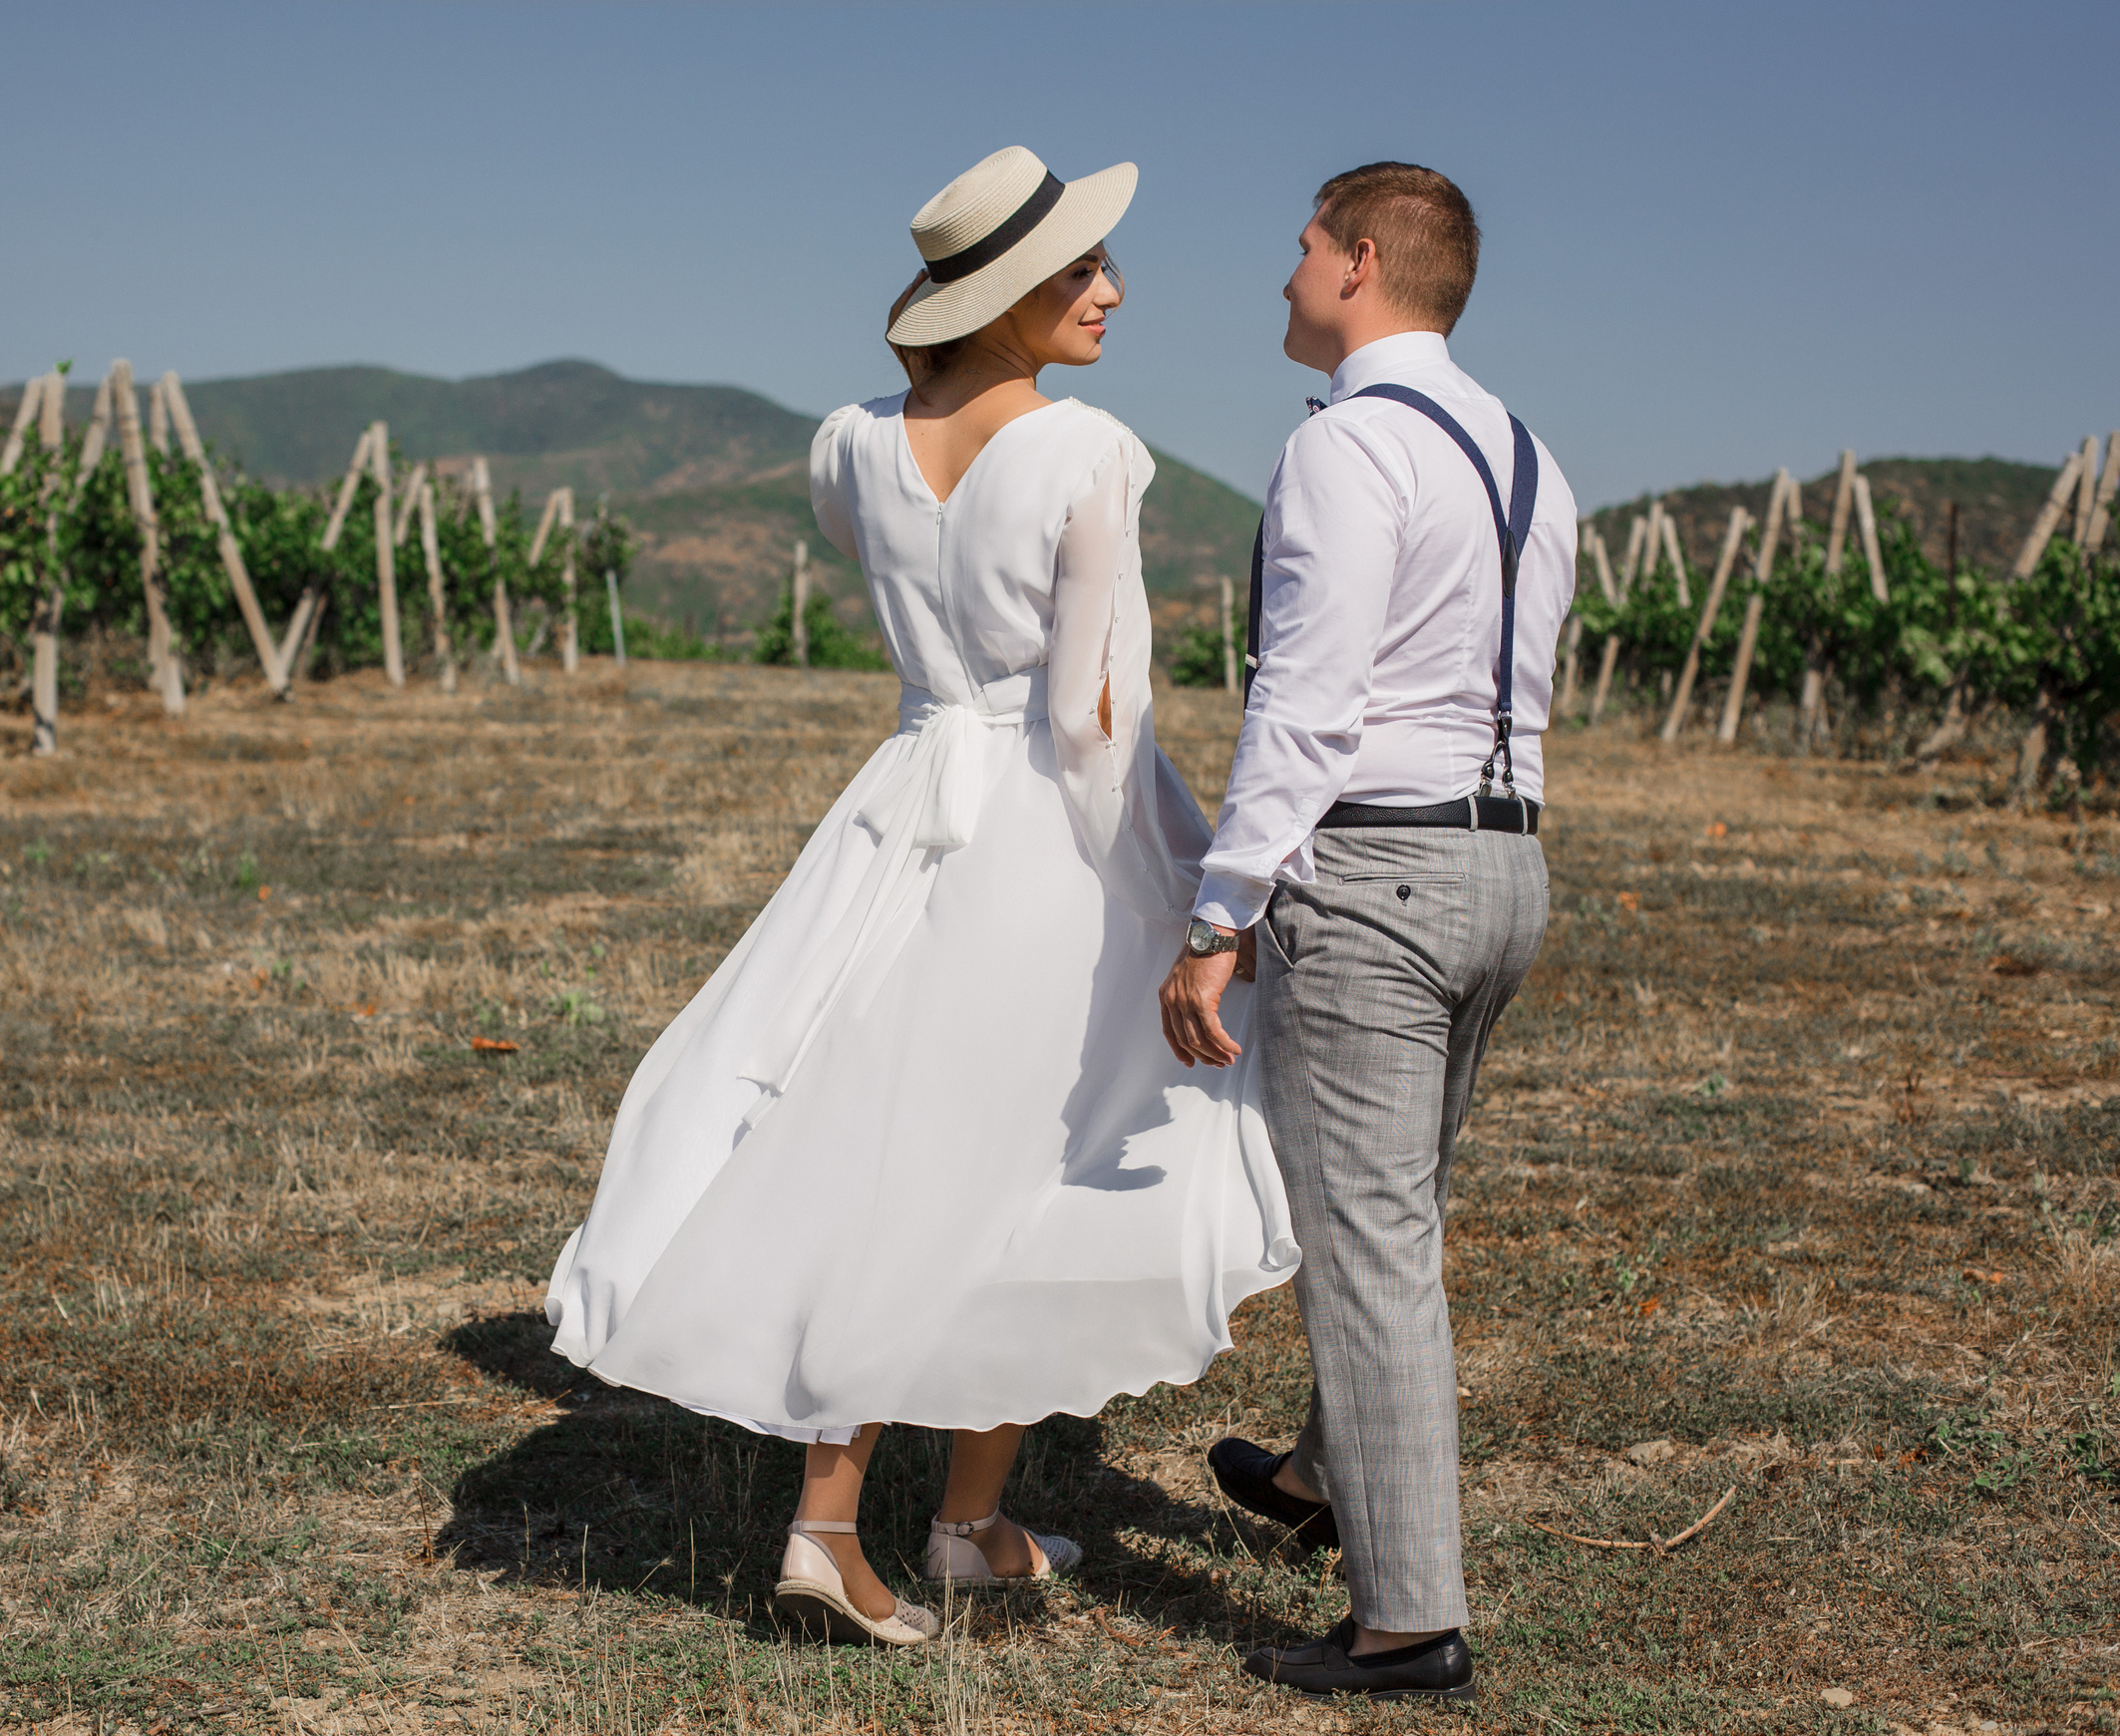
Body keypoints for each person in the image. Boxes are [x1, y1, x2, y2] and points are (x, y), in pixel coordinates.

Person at [545, 146, 1299, 1647]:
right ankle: (847, 1527)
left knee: (893, 1140)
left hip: (895, 813)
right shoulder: (1086, 451)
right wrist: (1175, 878)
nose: (1112, 289)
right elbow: (1091, 717)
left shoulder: (849, 449)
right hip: (1045, 829)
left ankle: (960, 1524)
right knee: (1028, 1160)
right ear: (1008, 294)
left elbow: (913, 604)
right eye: (1082, 269)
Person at [1157, 162, 1576, 1704]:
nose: (1284, 276)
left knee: (1370, 1236)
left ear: (1360, 261)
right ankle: (1327, 1474)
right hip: (1505, 864)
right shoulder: (1530, 456)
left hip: (1382, 872)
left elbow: (1308, 700)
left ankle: (1407, 1619)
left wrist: (1223, 908)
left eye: (1301, 248)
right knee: (1398, 1205)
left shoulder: (1345, 446)